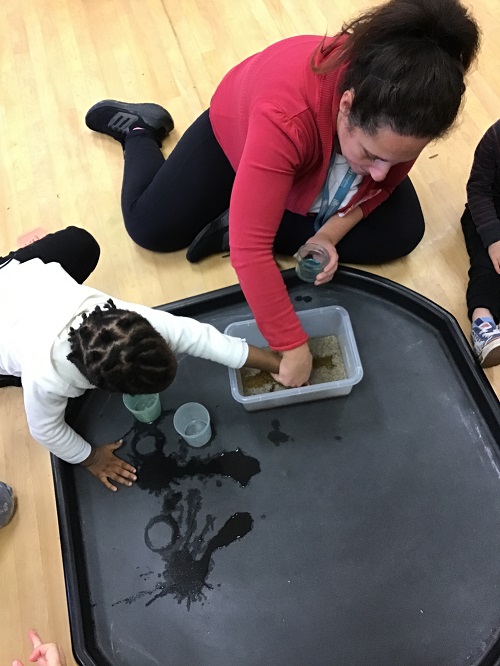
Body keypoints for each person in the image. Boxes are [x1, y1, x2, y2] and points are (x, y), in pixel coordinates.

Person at [84, 0, 480, 387]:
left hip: (311, 154)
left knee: (404, 231)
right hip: (241, 135)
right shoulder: (285, 116)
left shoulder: (411, 110)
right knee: (150, 227)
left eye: (399, 159)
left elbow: (383, 183)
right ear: (347, 105)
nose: (381, 173)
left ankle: (238, 217)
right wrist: (291, 345)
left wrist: (328, 236)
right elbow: (250, 251)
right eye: (373, 155)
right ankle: (139, 130)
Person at [0, 227, 281, 491]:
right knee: (12, 374)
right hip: (10, 327)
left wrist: (275, 364)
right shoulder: (45, 376)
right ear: (106, 388)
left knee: (80, 242)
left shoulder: (126, 319)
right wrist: (91, 458)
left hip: (16, 278)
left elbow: (201, 337)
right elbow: (45, 430)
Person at [460, 120, 500, 367]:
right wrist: (494, 239)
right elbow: (478, 190)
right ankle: (483, 324)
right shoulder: (495, 137)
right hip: (489, 214)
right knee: (489, 264)